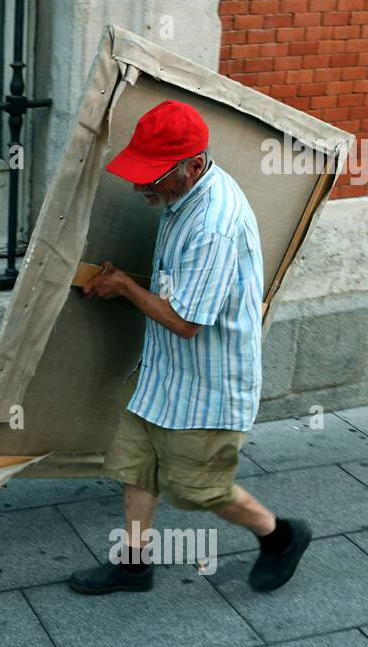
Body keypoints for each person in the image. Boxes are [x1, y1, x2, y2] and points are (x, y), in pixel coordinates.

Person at [70, 99, 311, 594]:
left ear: (194, 166)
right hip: (166, 371)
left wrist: (122, 288)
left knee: (197, 489)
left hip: (208, 383)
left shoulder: (213, 225)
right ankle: (133, 566)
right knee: (136, 463)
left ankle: (280, 535)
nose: (140, 186)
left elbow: (185, 323)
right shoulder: (184, 196)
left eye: (152, 177)